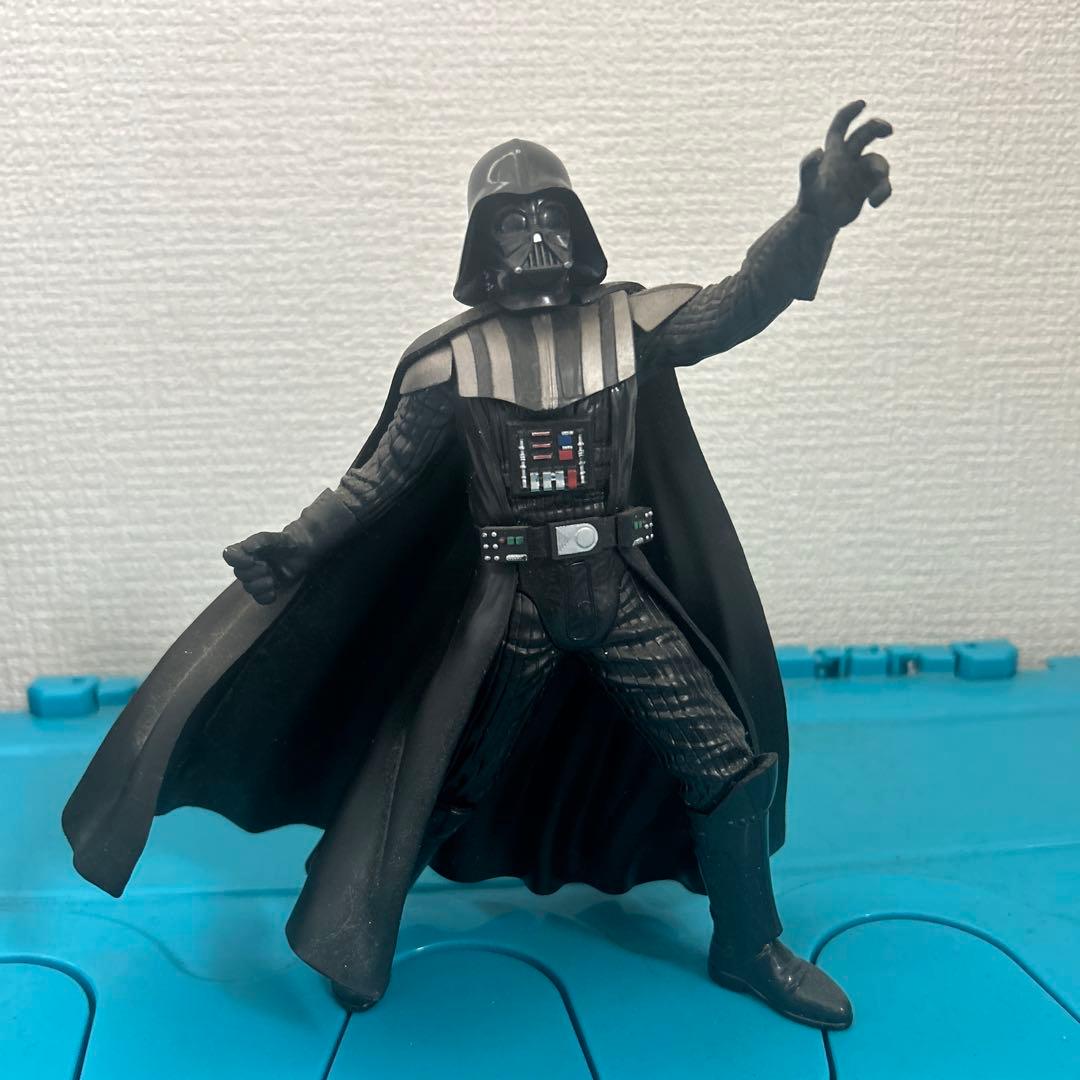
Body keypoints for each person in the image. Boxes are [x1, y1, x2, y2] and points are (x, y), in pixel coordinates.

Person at [64, 101, 891, 1030]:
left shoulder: (630, 326)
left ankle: (747, 944)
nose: (534, 236)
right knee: (444, 772)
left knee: (725, 761)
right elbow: (376, 483)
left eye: (549, 215)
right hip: (514, 607)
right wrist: (298, 541)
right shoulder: (450, 365)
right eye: (512, 220)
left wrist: (813, 219)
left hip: (619, 593)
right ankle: (351, 926)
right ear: (481, 242)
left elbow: (741, 301)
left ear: (578, 226)